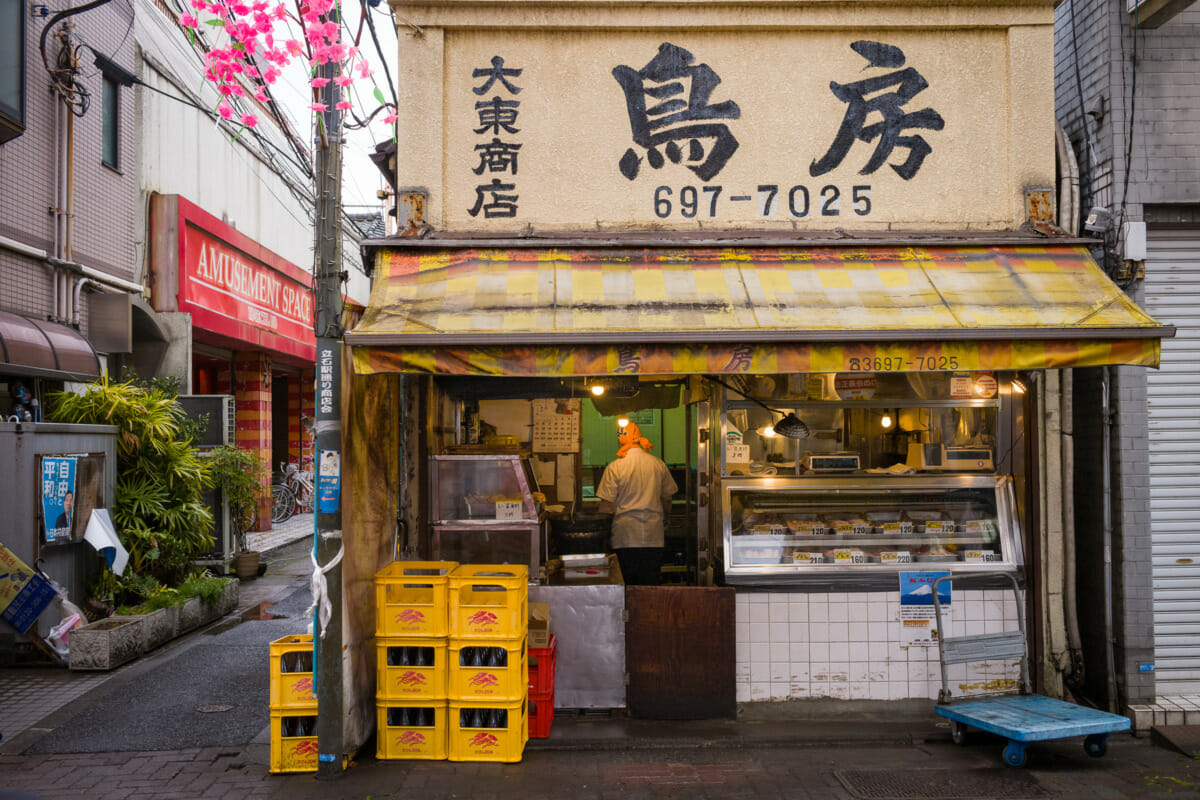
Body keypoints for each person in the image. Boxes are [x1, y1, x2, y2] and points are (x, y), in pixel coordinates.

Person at [596, 422, 678, 586]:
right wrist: (666, 519)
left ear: (620, 440)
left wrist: (603, 536)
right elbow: (667, 498)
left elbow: (606, 506)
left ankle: (628, 612)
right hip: (653, 535)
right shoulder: (658, 464)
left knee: (627, 584)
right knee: (650, 584)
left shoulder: (615, 467)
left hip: (624, 535)